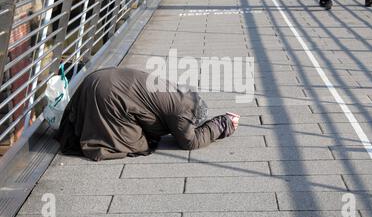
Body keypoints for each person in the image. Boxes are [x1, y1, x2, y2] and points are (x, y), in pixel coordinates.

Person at [56, 67, 239, 161]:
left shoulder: (182, 94)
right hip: (106, 92)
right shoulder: (182, 112)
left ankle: (84, 128)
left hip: (97, 77)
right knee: (135, 143)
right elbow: (190, 142)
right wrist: (223, 124)